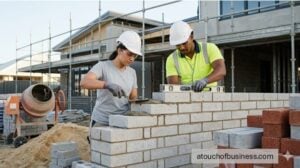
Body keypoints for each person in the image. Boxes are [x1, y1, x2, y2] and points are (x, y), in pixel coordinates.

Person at [80, 30, 141, 126]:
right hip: (102, 121)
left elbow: (133, 97)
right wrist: (106, 84)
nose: (132, 59)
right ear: (120, 50)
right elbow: (84, 82)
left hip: (121, 121)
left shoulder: (132, 72)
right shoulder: (103, 66)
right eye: (129, 54)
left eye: (135, 56)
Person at [166, 20, 226, 92]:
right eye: (178, 45)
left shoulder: (209, 48)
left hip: (210, 96)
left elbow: (221, 70)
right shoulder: (171, 59)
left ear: (191, 37)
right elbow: (174, 85)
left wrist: (205, 80)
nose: (181, 47)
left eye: (184, 43)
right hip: (187, 97)